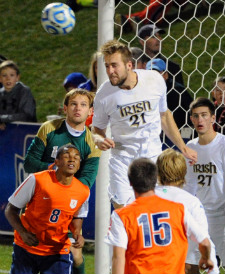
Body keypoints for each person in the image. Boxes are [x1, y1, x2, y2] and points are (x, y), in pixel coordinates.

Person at [92, 39, 197, 209]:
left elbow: (164, 115)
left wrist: (183, 147)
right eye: (107, 66)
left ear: (129, 65)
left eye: (114, 65)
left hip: (152, 156)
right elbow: (97, 130)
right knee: (125, 214)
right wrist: (99, 139)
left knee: (153, 210)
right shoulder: (104, 94)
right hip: (122, 159)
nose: (110, 71)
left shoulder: (154, 80)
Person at [24, 88, 101, 274]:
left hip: (71, 201)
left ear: (90, 112)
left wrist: (65, 192)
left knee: (75, 254)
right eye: (73, 104)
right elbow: (29, 163)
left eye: (83, 105)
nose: (78, 108)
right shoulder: (49, 128)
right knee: (31, 249)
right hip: (41, 198)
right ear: (65, 108)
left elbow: (86, 181)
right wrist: (55, 171)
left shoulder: (92, 143)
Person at [105, 157, 214, 274]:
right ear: (155, 179)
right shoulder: (178, 209)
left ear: (130, 182)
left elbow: (118, 257)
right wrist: (206, 258)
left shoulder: (122, 215)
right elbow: (204, 241)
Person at [5, 144, 90, 274]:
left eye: (76, 157)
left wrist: (78, 234)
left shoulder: (83, 191)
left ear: (79, 164)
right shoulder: (37, 179)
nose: (72, 159)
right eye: (67, 156)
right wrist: (23, 233)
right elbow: (10, 209)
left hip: (57, 252)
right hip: (27, 248)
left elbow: (77, 216)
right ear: (56, 162)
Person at [155, 148, 219, 274]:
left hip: (149, 264)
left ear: (157, 172)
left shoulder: (143, 199)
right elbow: (204, 238)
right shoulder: (191, 202)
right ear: (183, 172)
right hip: (184, 266)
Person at [184, 97, 225, 269]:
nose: (200, 120)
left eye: (204, 115)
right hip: (199, 215)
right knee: (189, 264)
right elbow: (188, 185)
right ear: (191, 119)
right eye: (196, 116)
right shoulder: (191, 147)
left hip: (221, 215)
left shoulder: (222, 144)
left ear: (213, 118)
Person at [146, 58, 193, 133]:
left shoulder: (178, 91)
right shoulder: (145, 92)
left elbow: (191, 113)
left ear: (165, 75)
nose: (153, 77)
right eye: (150, 74)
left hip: (181, 132)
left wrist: (185, 139)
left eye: (157, 73)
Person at [0, 60, 37, 130]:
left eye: (12, 75)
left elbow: (26, 116)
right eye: (4, 75)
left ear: (17, 77)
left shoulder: (24, 92)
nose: (8, 79)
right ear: (0, 78)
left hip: (24, 132)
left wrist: (3, 119)